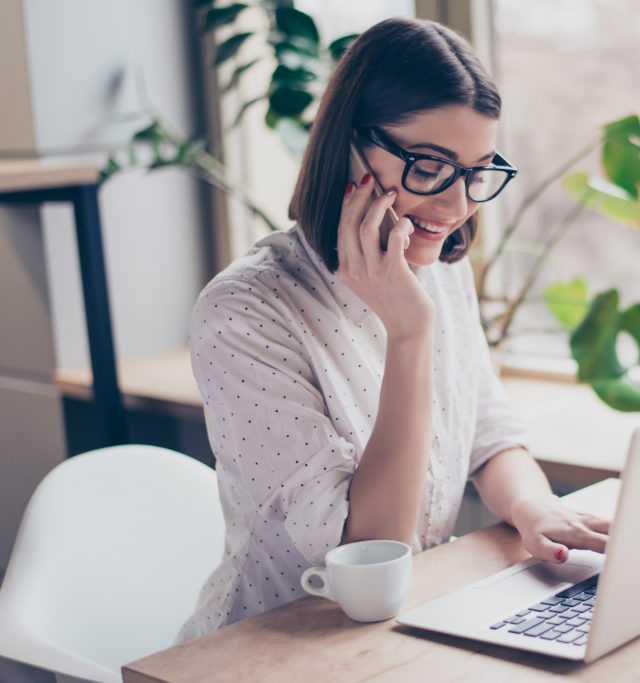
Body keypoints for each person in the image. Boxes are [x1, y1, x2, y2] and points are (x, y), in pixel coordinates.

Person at [177, 17, 609, 641]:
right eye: (430, 165)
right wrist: (409, 334)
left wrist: (534, 507)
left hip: (406, 625)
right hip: (279, 645)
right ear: (348, 145)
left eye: (476, 171)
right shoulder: (244, 314)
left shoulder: (433, 264)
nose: (456, 206)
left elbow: (487, 433)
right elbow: (371, 550)